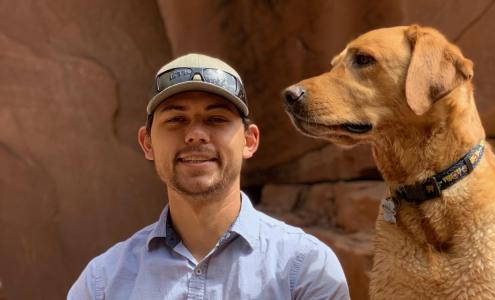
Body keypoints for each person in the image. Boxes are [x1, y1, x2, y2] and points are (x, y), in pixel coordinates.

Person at [67, 54, 350, 299]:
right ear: (147, 143)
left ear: (249, 141)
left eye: (216, 119)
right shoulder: (102, 282)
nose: (195, 135)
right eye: (176, 120)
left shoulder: (304, 268)